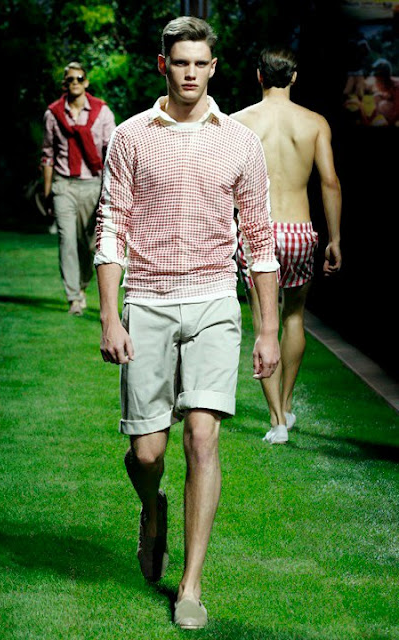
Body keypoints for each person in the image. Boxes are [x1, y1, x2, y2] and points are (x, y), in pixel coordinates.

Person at [94, 17, 280, 630]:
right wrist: (109, 316)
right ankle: (152, 508)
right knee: (146, 453)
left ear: (214, 67)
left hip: (213, 302)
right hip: (146, 301)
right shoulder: (130, 137)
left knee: (203, 437)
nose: (191, 74)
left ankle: (191, 586)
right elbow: (111, 226)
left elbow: (259, 238)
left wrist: (268, 329)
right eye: (181, 63)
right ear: (163, 65)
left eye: (201, 63)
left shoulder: (240, 142)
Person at [231, 45, 342, 445]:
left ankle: (277, 419)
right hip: (299, 230)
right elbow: (329, 181)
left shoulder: (237, 124)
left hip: (257, 231)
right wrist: (335, 238)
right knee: (294, 317)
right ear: (294, 77)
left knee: (264, 323)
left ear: (259, 76)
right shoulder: (314, 123)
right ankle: (288, 402)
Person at [41, 62, 115, 315]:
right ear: (65, 83)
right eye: (70, 79)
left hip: (93, 185)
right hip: (64, 185)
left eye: (79, 78)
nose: (75, 82)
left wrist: (111, 189)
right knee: (67, 241)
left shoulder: (102, 112)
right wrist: (48, 192)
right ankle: (73, 297)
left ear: (86, 82)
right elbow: (48, 154)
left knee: (89, 244)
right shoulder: (53, 114)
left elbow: (111, 152)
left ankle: (82, 284)